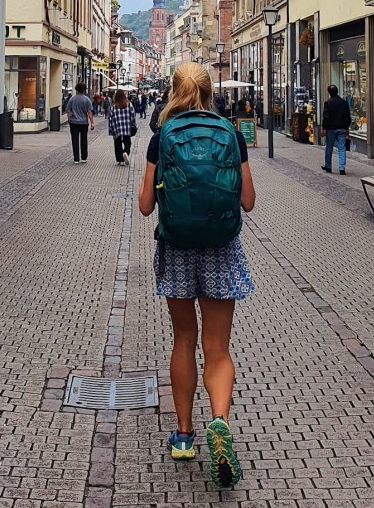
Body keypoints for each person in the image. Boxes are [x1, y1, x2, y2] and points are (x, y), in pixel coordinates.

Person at [139, 62, 256, 490]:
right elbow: (248, 201)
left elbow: (145, 206)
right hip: (222, 248)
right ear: (209, 92)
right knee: (218, 348)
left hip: (178, 249)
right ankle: (220, 421)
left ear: (173, 91)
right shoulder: (231, 134)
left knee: (184, 340)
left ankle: (184, 435)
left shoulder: (162, 137)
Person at [321, 84, 352, 175]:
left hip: (331, 128)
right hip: (342, 128)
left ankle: (328, 166)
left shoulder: (328, 103)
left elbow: (326, 116)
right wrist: (347, 127)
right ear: (337, 91)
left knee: (329, 147)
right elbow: (347, 116)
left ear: (329, 93)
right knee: (342, 148)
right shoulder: (344, 102)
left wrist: (324, 128)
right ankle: (342, 168)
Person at [65, 81, 94, 163]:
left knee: (75, 140)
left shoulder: (72, 99)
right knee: (84, 140)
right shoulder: (87, 100)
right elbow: (89, 112)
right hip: (84, 122)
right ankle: (84, 157)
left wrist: (69, 119)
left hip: (74, 122)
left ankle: (76, 158)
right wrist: (92, 123)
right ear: (84, 90)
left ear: (76, 89)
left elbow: (68, 111)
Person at [108, 89, 135, 165]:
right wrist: (132, 124)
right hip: (126, 127)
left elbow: (110, 118)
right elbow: (132, 115)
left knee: (117, 143)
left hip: (117, 127)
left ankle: (120, 159)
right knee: (127, 142)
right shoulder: (129, 104)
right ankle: (126, 152)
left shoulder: (114, 106)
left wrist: (111, 129)